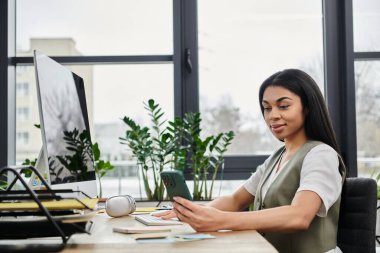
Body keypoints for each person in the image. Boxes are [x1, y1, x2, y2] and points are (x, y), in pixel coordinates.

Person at [154, 69, 347, 253]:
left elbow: (300, 216)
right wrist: (197, 211)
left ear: (307, 108)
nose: (273, 115)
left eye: (284, 106)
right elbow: (236, 200)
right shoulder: (276, 158)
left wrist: (220, 220)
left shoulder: (321, 155)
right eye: (266, 108)